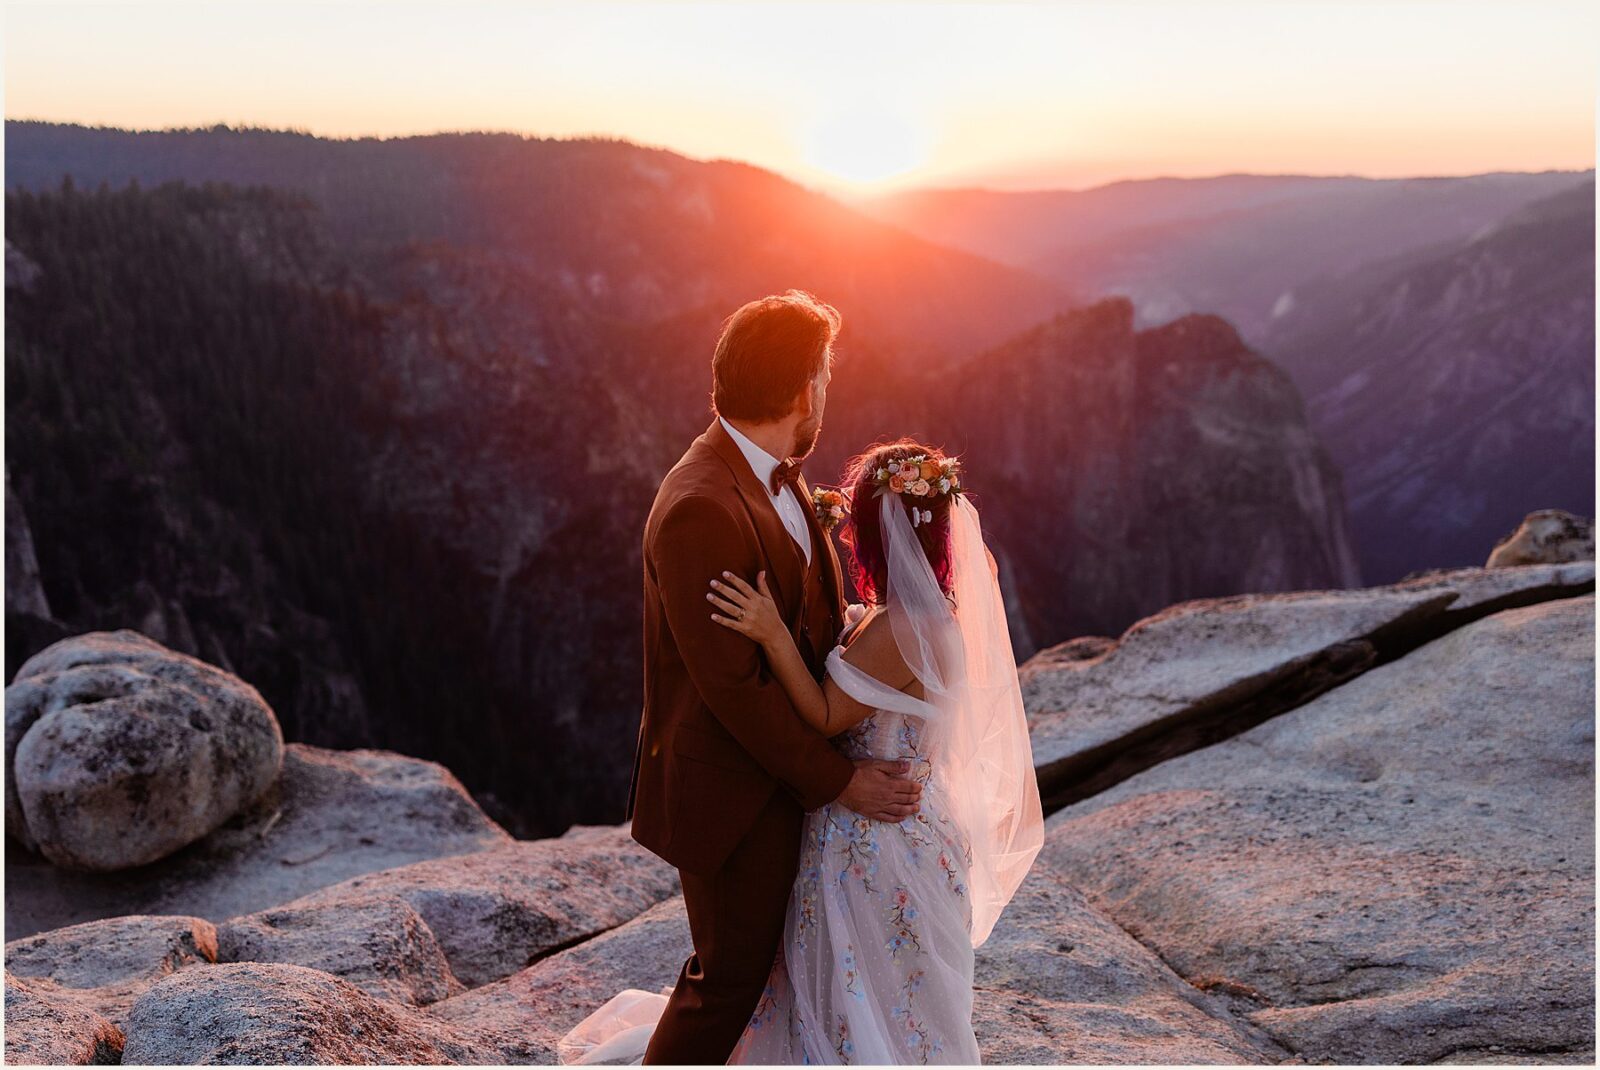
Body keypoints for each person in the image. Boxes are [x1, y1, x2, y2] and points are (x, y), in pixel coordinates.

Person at [560, 430, 1044, 1064]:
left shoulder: (904, 626)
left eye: (855, 523)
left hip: (876, 839)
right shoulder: (911, 614)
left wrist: (770, 634)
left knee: (866, 985)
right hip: (901, 828)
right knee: (887, 992)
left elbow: (821, 715)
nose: (846, 535)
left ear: (882, 531)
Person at [610, 290, 926, 1066]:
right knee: (729, 978)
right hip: (732, 795)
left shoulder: (772, 477)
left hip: (779, 785)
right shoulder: (700, 508)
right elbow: (734, 693)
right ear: (800, 390)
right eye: (823, 373)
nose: (828, 388)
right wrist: (841, 782)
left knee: (780, 973)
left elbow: (809, 620)